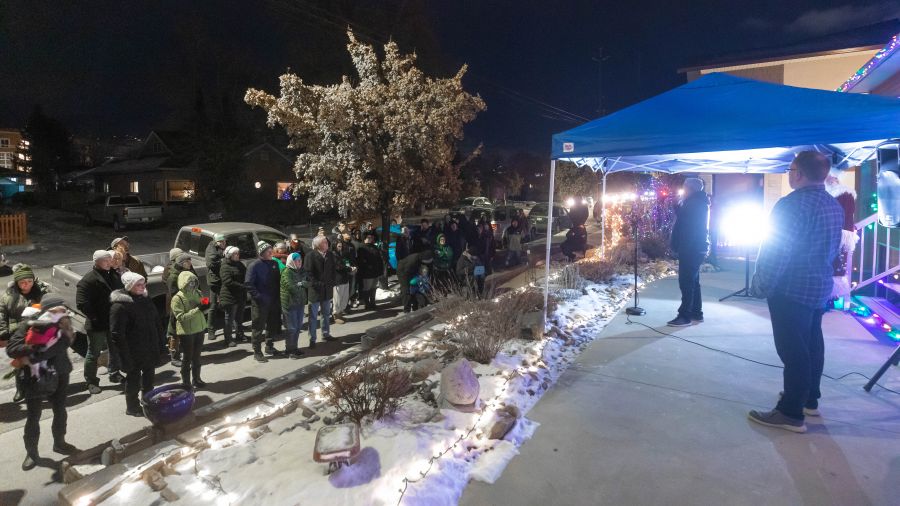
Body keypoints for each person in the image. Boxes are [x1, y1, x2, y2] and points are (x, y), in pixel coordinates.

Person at [748, 151, 843, 433]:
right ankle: (809, 400)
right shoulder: (832, 205)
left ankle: (790, 412)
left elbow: (777, 251)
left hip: (791, 288)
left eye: (790, 169)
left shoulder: (791, 205)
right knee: (812, 342)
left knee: (793, 350)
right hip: (818, 287)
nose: (789, 174)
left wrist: (762, 284)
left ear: (798, 173)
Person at [6, 294, 77, 470]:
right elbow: (11, 349)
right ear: (47, 310)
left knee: (60, 411)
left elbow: (62, 345)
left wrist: (31, 356)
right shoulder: (29, 324)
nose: (62, 312)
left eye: (63, 309)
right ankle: (32, 453)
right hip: (34, 378)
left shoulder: (65, 324)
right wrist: (33, 347)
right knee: (33, 416)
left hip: (60, 373)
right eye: (58, 309)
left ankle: (59, 442)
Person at [110, 272, 163, 416]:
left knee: (149, 379)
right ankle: (132, 407)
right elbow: (117, 334)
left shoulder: (145, 299)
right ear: (129, 286)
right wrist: (124, 357)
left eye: (143, 284)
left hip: (149, 347)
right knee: (133, 381)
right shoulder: (120, 307)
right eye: (138, 285)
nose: (142, 287)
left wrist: (160, 341)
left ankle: (148, 402)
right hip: (133, 351)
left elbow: (156, 321)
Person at [76, 250, 124, 394]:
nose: (109, 262)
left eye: (110, 260)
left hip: (113, 321)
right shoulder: (88, 280)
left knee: (115, 349)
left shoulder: (114, 275)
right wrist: (96, 318)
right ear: (96, 262)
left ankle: (114, 373)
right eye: (105, 260)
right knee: (93, 353)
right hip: (97, 324)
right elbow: (82, 303)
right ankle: (91, 381)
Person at [1, 264, 50, 403]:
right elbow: (1, 314)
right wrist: (3, 332)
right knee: (21, 363)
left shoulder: (41, 293)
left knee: (38, 361)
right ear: (16, 283)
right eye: (22, 282)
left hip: (37, 332)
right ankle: (20, 389)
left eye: (29, 281)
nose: (26, 285)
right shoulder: (9, 295)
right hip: (17, 334)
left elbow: (50, 309)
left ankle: (39, 387)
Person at [667, 178, 711, 327]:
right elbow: (686, 219)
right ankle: (696, 313)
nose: (683, 191)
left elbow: (688, 226)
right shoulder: (696, 202)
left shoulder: (695, 204)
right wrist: (677, 205)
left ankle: (684, 316)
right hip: (695, 247)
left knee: (686, 282)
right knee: (693, 282)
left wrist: (682, 247)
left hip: (691, 248)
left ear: (689, 189)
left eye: (684, 188)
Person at [246, 241, 284, 362]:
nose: (271, 252)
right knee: (258, 327)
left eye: (270, 250)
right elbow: (249, 284)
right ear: (262, 253)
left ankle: (269, 346)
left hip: (273, 301)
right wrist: (259, 297)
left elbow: (278, 281)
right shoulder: (254, 265)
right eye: (268, 251)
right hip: (260, 303)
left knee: (272, 325)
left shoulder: (273, 263)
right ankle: (257, 351)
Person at [825, 170, 857, 310]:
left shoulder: (845, 194)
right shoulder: (824, 193)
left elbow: (847, 219)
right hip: (824, 236)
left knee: (834, 266)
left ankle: (829, 298)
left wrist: (842, 238)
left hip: (836, 238)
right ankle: (824, 297)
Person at [171, 270, 208, 389]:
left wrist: (207, 306)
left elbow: (203, 309)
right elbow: (180, 317)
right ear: (183, 283)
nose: (192, 284)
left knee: (197, 357)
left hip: (199, 328)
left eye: (194, 281)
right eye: (189, 282)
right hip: (187, 332)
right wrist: (197, 309)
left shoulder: (198, 292)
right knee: (187, 357)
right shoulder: (177, 298)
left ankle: (197, 379)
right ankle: (186, 383)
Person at [306, 235, 338, 347]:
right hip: (315, 290)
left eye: (326, 242)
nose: (327, 244)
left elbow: (333, 269)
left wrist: (333, 282)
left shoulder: (329, 254)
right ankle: (312, 339)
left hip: (327, 289)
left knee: (326, 313)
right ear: (318, 245)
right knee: (313, 316)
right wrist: (317, 284)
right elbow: (308, 274)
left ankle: (326, 334)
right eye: (324, 242)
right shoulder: (310, 256)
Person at [167, 253, 196, 366]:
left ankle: (186, 354)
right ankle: (174, 357)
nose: (190, 263)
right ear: (181, 263)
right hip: (178, 309)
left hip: (189, 307)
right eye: (188, 261)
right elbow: (174, 295)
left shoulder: (189, 272)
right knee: (174, 332)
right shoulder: (174, 277)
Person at [281, 252, 308, 358]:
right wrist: (301, 284)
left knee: (298, 327)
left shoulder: (300, 271)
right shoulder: (286, 272)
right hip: (290, 304)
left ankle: (295, 348)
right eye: (297, 260)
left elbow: (308, 283)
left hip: (300, 303)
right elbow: (291, 287)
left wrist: (301, 283)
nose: (300, 262)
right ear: (292, 262)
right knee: (291, 328)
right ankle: (289, 349)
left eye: (300, 260)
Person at [219, 246, 247, 347]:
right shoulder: (225, 266)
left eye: (238, 253)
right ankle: (228, 339)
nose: (237, 255)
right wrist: (242, 286)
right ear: (229, 256)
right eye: (235, 254)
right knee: (229, 319)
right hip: (229, 297)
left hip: (240, 296)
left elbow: (245, 273)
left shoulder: (239, 264)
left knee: (239, 318)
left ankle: (239, 334)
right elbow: (228, 282)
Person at [204, 233, 227, 341]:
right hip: (215, 281)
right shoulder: (211, 249)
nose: (224, 243)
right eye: (222, 242)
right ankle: (210, 330)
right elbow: (211, 263)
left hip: (223, 280)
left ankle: (234, 326)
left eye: (224, 241)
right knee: (213, 306)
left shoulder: (221, 248)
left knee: (228, 303)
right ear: (216, 242)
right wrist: (222, 260)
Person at [356, 233, 384, 310]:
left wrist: (380, 270)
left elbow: (379, 259)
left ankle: (373, 302)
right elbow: (360, 261)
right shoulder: (361, 248)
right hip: (367, 273)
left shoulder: (374, 247)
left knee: (373, 288)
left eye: (372, 237)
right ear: (365, 238)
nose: (371, 238)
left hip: (375, 272)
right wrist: (368, 266)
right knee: (367, 288)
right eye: (369, 237)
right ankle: (367, 303)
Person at [332, 238, 356, 324]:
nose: (340, 247)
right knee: (337, 298)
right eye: (338, 246)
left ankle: (340, 314)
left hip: (345, 278)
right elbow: (338, 267)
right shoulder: (333, 255)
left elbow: (345, 264)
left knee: (344, 298)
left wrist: (350, 268)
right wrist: (349, 268)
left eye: (341, 246)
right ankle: (336, 315)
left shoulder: (342, 254)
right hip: (337, 280)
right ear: (335, 246)